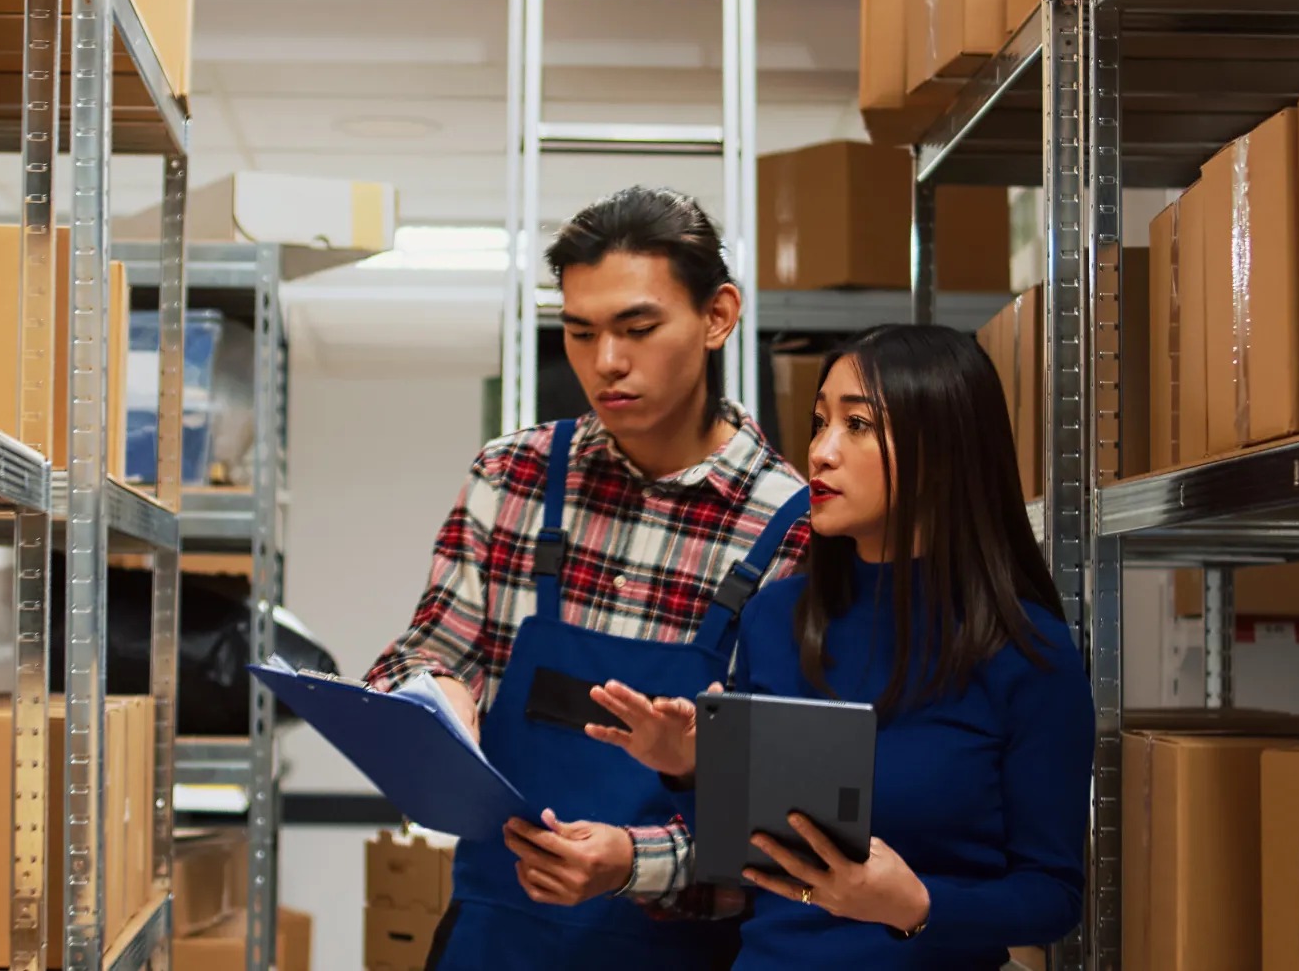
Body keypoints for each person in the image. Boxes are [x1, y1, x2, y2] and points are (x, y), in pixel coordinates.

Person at [365, 186, 813, 971]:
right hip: (492, 935)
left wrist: (632, 863)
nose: (606, 362)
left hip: (676, 950)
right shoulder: (515, 475)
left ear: (718, 316)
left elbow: (791, 810)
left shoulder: (796, 528)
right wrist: (431, 695)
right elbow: (426, 652)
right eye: (580, 332)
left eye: (638, 329)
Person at [582, 324, 1093, 970]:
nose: (820, 452)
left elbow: (1052, 895)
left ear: (944, 448)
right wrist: (688, 765)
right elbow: (747, 863)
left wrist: (916, 906)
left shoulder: (1026, 650)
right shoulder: (775, 618)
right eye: (820, 421)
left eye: (857, 426)